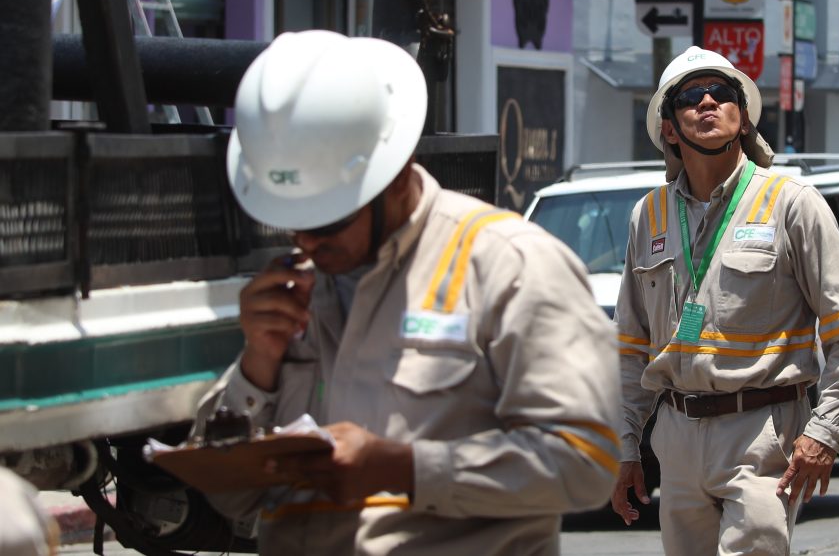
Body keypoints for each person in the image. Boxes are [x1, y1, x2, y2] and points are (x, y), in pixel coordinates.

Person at [194, 30, 620, 555]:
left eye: (327, 220)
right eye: (291, 223)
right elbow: (232, 501)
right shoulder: (298, 286)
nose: (306, 242)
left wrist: (403, 467)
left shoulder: (508, 265)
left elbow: (585, 464)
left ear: (395, 177)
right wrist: (258, 364)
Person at [609, 46, 839, 555]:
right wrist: (625, 447)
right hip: (678, 436)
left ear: (744, 114)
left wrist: (826, 431)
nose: (708, 102)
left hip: (762, 434)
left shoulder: (791, 203)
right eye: (691, 96)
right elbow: (630, 347)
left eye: (723, 92)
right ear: (669, 128)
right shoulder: (649, 216)